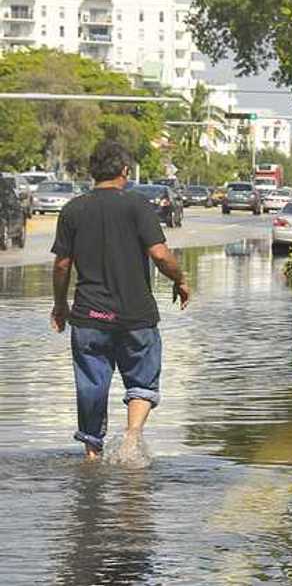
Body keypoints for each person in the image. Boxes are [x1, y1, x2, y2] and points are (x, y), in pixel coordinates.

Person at [50, 140, 191, 460]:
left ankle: (91, 455)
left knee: (91, 386)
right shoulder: (138, 206)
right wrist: (180, 279)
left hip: (88, 317)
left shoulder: (73, 209)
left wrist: (60, 305)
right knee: (142, 380)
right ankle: (132, 437)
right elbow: (159, 254)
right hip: (135, 316)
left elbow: (61, 265)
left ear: (92, 171)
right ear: (125, 171)